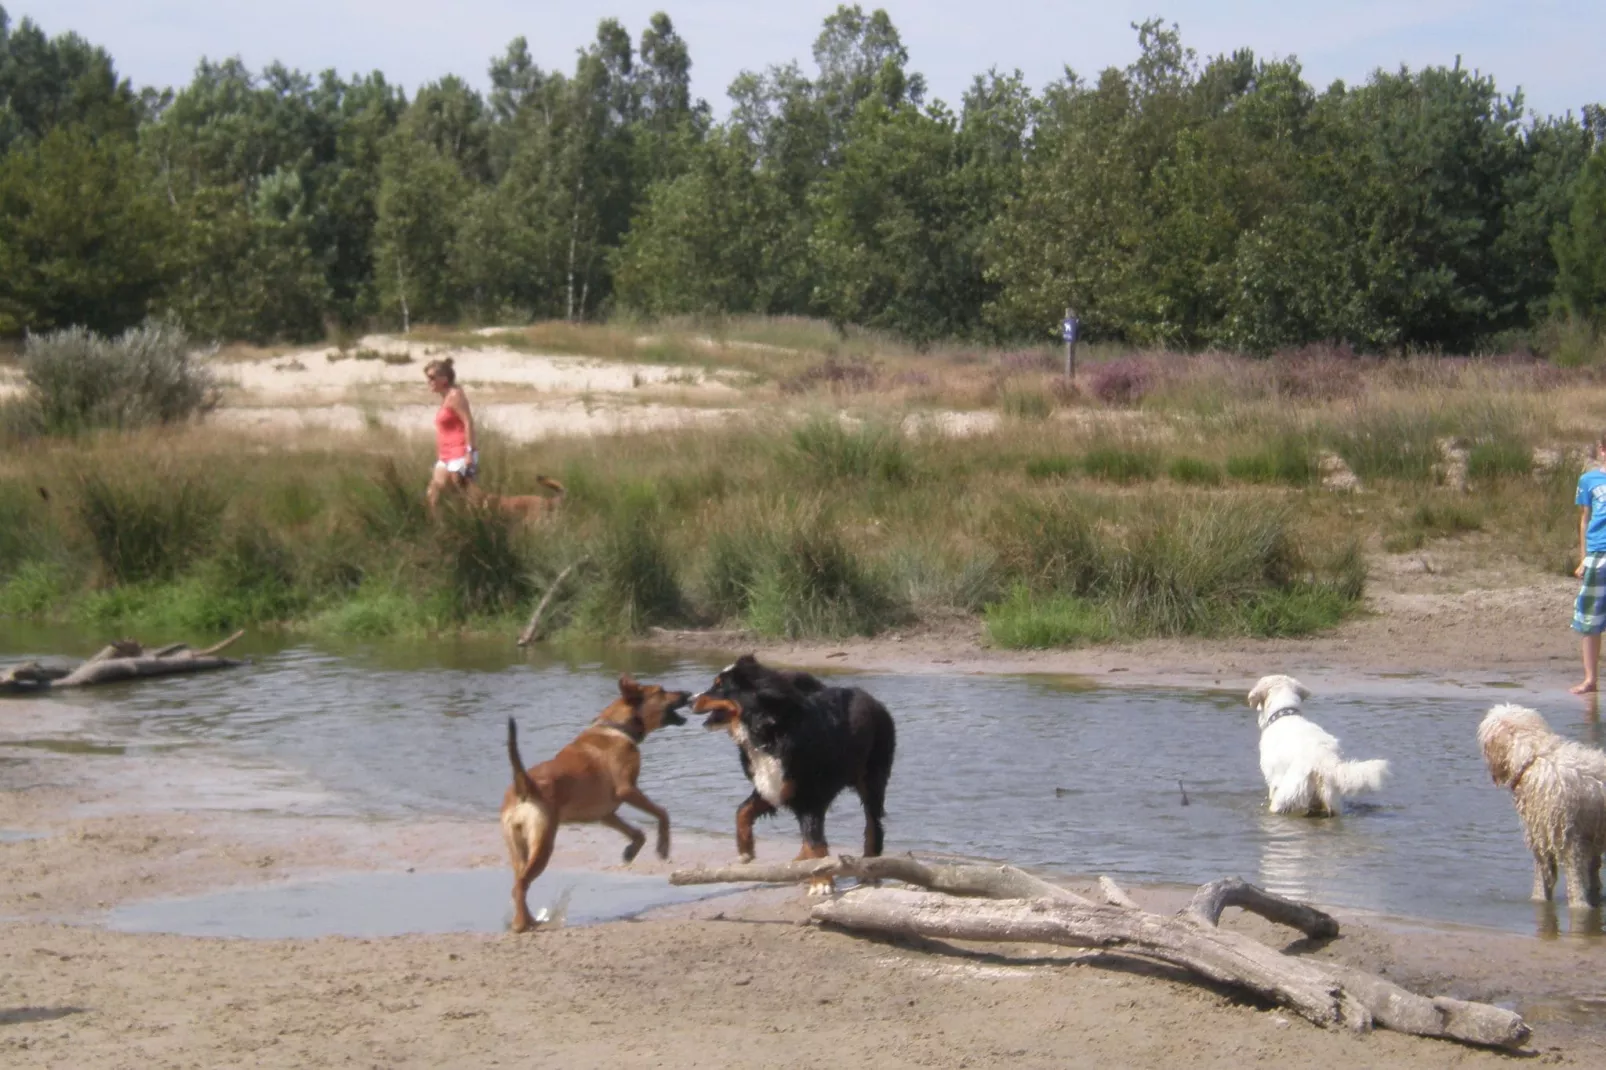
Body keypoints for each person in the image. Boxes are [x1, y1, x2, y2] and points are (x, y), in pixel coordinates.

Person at [1572, 433, 1606, 693]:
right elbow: (1585, 520)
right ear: (1601, 450)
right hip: (1596, 553)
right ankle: (1590, 679)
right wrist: (1583, 559)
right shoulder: (1589, 480)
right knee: (1590, 616)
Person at [425, 357, 478, 512]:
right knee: (433, 495)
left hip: (460, 453)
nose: (429, 382)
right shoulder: (446, 397)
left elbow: (468, 422)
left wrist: (469, 452)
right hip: (446, 455)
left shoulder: (455, 396)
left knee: (461, 498)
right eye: (428, 378)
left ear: (444, 378)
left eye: (432, 378)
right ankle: (439, 528)